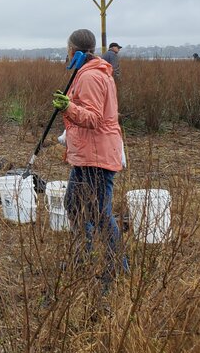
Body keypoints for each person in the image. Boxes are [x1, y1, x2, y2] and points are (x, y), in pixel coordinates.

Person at [52, 29, 127, 288]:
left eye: (68, 48)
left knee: (100, 213)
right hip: (88, 154)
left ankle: (119, 265)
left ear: (76, 51)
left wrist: (67, 107)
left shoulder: (91, 76)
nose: (66, 52)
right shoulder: (89, 73)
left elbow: (93, 118)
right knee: (73, 203)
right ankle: (82, 258)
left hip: (97, 156)